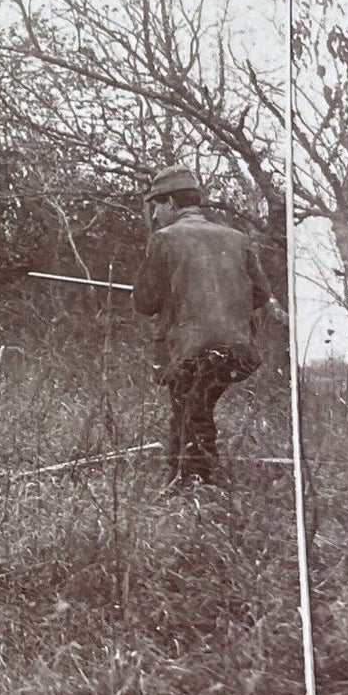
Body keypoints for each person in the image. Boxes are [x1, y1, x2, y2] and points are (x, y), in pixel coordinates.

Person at [132, 165, 279, 487]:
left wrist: (179, 302)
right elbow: (261, 294)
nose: (155, 215)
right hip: (237, 349)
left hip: (191, 349)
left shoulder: (165, 239)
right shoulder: (237, 238)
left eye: (156, 206)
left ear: (170, 202)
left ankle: (197, 485)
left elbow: (144, 303)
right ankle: (186, 480)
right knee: (194, 409)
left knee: (191, 411)